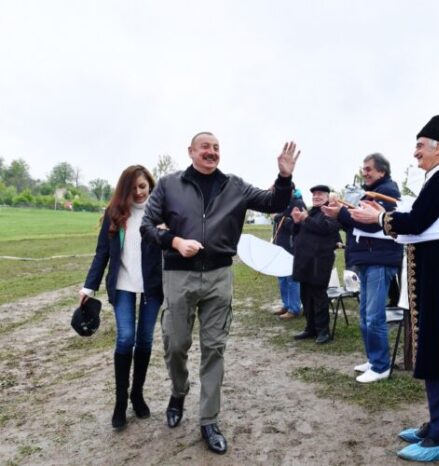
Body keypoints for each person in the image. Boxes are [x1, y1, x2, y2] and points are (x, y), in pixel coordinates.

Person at [140, 132, 299, 454]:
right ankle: (179, 391)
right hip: (178, 275)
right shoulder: (169, 185)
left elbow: (274, 203)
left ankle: (208, 419)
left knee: (214, 348)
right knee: (175, 344)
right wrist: (174, 241)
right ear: (191, 152)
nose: (211, 152)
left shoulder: (235, 186)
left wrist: (284, 177)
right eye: (205, 147)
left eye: (216, 148)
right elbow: (147, 225)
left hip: (218, 276)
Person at [350, 115, 439, 462]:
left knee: (438, 351)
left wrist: (378, 219)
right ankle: (436, 424)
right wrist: (387, 214)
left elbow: (418, 222)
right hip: (431, 279)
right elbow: (420, 217)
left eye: (420, 145)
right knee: (431, 350)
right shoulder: (438, 179)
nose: (415, 152)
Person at [80, 165, 163, 430]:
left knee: (145, 340)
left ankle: (137, 394)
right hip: (123, 286)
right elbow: (101, 253)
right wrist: (88, 287)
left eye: (143, 186)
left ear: (150, 184)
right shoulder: (114, 214)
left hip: (152, 287)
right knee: (125, 339)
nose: (139, 193)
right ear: (124, 190)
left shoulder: (161, 212)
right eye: (133, 188)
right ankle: (120, 402)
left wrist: (167, 231)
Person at [322, 153, 403, 383]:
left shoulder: (387, 192)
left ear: (382, 171)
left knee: (374, 316)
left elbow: (368, 221)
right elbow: (353, 223)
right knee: (366, 314)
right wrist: (338, 215)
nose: (364, 172)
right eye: (364, 168)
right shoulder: (367, 191)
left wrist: (343, 213)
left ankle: (381, 366)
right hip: (367, 258)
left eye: (369, 169)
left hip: (380, 259)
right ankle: (373, 358)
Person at [291, 184, 340, 344]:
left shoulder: (331, 211)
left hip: (319, 262)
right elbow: (297, 234)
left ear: (327, 197)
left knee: (318, 297)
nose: (316, 197)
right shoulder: (310, 212)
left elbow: (325, 228)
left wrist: (305, 219)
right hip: (304, 261)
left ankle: (323, 331)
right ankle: (310, 328)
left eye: (320, 194)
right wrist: (297, 222)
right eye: (314, 195)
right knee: (306, 296)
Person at [272, 188, 306, 320]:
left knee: (292, 280)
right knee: (281, 278)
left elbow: (299, 226)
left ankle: (294, 308)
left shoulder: (297, 203)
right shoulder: (280, 203)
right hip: (279, 247)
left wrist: (279, 218)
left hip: (291, 248)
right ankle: (286, 305)